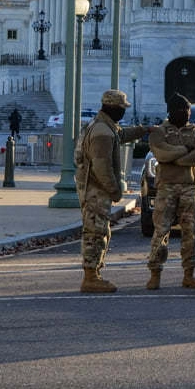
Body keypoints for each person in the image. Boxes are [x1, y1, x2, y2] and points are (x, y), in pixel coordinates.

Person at [75, 89, 152, 294]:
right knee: (96, 232)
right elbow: (102, 167)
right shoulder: (102, 132)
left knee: (99, 230)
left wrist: (144, 130)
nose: (123, 112)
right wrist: (115, 190)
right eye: (121, 108)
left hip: (92, 188)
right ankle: (91, 277)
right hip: (96, 191)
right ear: (113, 108)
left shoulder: (102, 125)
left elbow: (121, 135)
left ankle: (94, 274)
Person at [143, 94, 195, 290]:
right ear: (170, 112)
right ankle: (155, 273)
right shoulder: (159, 132)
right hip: (166, 188)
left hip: (189, 187)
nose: (184, 113)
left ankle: (189, 274)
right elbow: (161, 153)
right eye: (180, 110)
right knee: (160, 231)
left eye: (187, 110)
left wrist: (177, 160)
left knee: (191, 231)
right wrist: (184, 150)